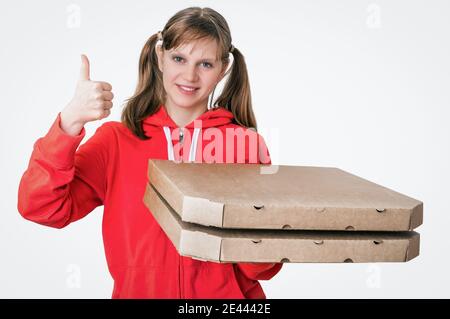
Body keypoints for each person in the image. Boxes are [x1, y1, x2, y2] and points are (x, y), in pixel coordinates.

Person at [17, 6, 282, 298]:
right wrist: (69, 122)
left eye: (205, 64)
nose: (190, 75)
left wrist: (252, 231)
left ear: (224, 69)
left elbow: (262, 268)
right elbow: (41, 208)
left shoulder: (243, 145)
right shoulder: (115, 142)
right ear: (160, 57)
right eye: (179, 58)